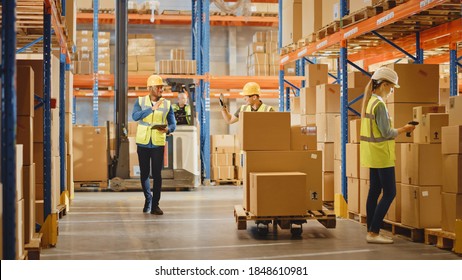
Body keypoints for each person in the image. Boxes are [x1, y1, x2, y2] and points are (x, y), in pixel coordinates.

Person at [360, 66, 415, 244]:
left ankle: (370, 230)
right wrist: (405, 129)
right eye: (391, 88)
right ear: (383, 84)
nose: (391, 92)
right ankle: (374, 232)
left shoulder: (369, 102)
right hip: (382, 155)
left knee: (374, 191)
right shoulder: (380, 105)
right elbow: (386, 132)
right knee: (390, 192)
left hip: (372, 154)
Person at [132, 75, 176, 215]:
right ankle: (148, 199)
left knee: (157, 174)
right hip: (143, 142)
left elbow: (173, 124)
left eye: (161, 87)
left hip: (157, 143)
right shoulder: (140, 101)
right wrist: (151, 109)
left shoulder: (167, 104)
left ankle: (155, 205)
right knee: (144, 174)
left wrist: (168, 129)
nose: (160, 89)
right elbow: (135, 116)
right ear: (149, 88)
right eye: (158, 87)